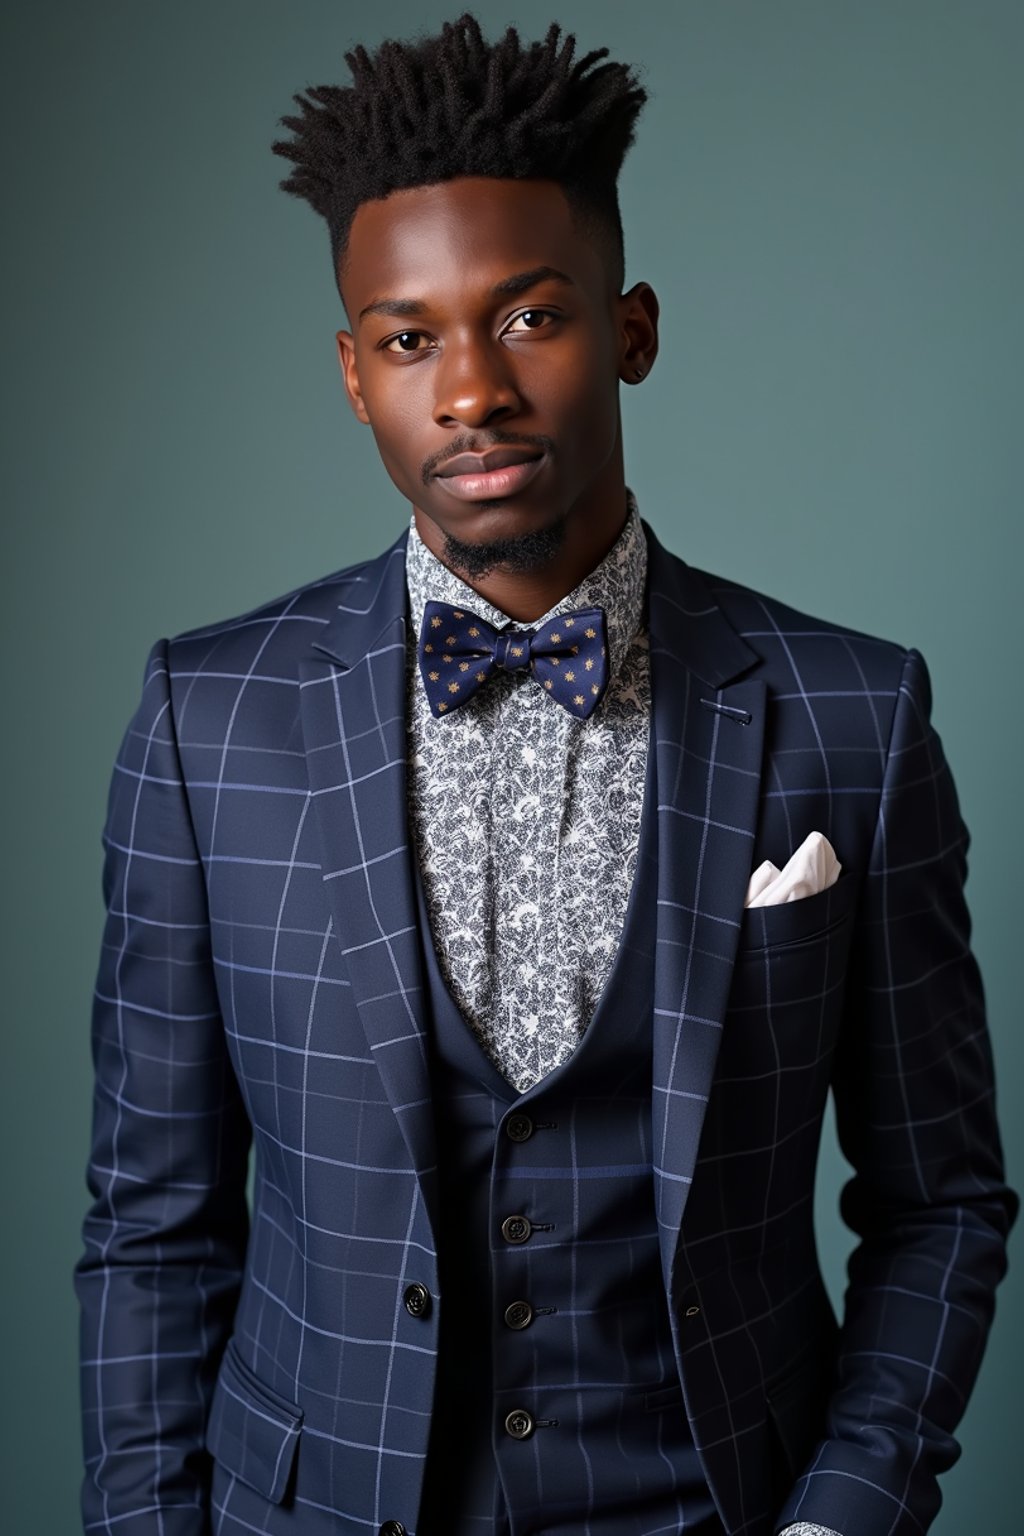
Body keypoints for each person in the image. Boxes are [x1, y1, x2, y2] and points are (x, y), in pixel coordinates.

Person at [74, 13, 1016, 1536]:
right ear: (350, 372)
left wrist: (845, 1514)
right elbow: (153, 1232)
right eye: (406, 339)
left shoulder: (856, 713)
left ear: (631, 327)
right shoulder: (208, 721)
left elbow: (940, 1205)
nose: (468, 392)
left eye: (527, 318)